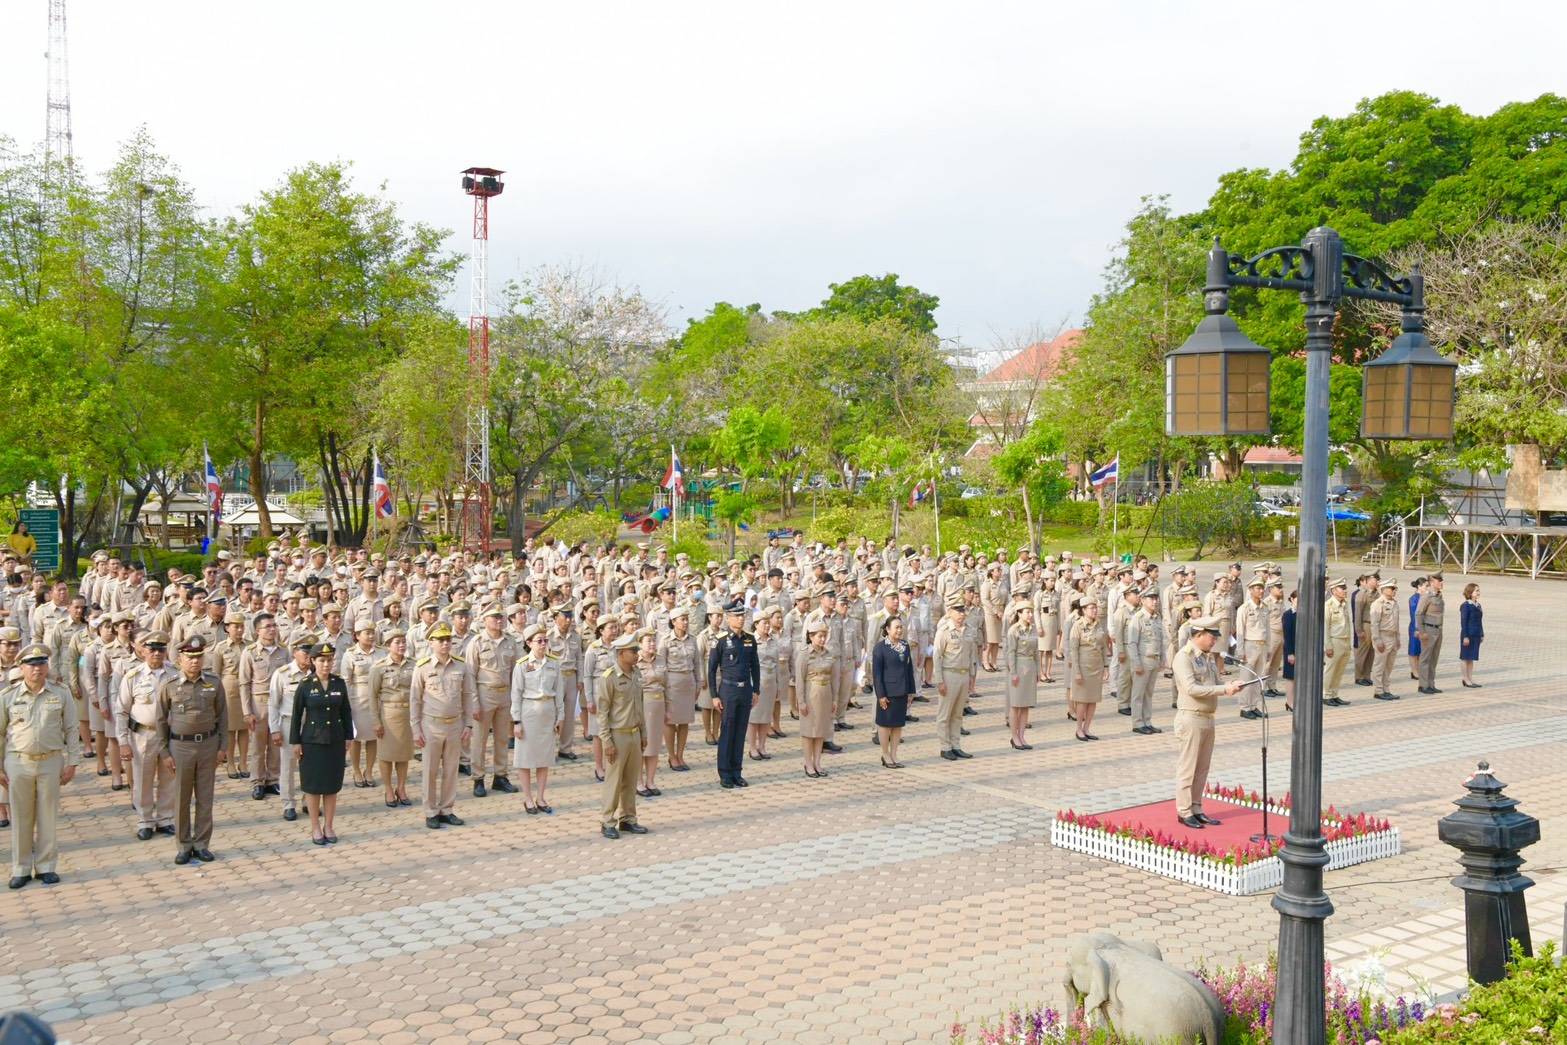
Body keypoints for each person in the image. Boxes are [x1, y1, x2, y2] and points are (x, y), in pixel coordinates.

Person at [1, 642, 78, 888]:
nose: (37, 669)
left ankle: (46, 866)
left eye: (42, 664)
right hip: (18, 762)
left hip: (50, 761)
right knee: (21, 817)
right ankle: (21, 868)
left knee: (47, 816)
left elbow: (71, 728)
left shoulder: (60, 692)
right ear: (21, 668)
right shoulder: (8, 696)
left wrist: (73, 762)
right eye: (32, 665)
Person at [157, 636, 227, 865]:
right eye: (190, 657)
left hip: (207, 745)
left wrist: (222, 747)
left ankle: (202, 844)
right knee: (182, 799)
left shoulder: (214, 683)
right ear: (180, 659)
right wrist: (165, 752)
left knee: (205, 797)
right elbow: (160, 721)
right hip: (181, 747)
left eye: (198, 657)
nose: (195, 662)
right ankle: (184, 845)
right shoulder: (169, 685)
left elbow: (222, 717)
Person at [1172, 616, 1242, 829]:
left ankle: (1196, 807)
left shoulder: (1208, 657)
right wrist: (1223, 689)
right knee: (1188, 767)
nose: (1214, 641)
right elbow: (1191, 688)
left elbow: (1214, 682)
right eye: (1212, 636)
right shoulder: (1183, 657)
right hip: (1191, 717)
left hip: (1208, 717)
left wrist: (1230, 685)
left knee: (1202, 768)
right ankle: (1184, 811)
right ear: (1199, 634)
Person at [410, 622, 477, 829]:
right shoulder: (422, 667)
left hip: (454, 725)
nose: (446, 643)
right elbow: (415, 699)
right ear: (431, 642)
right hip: (431, 726)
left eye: (448, 639)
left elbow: (468, 696)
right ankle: (430, 811)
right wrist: (416, 728)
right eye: (441, 640)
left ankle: (447, 809)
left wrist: (468, 725)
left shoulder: (461, 665)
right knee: (430, 771)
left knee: (451, 770)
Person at [290, 643, 354, 845]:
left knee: (331, 785)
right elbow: (296, 715)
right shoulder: (306, 684)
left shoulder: (339, 683)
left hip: (334, 740)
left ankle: (329, 825)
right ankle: (315, 827)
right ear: (313, 661)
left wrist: (348, 736)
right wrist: (295, 742)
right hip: (312, 741)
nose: (326, 664)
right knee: (313, 786)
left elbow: (345, 711)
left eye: (329, 660)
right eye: (322, 660)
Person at [116, 632, 178, 840]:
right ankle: (145, 820)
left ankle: (165, 818)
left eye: (161, 649)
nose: (157, 654)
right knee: (143, 778)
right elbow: (122, 711)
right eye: (152, 649)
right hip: (143, 735)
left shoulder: (175, 673)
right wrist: (123, 742)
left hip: (169, 735)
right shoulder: (133, 677)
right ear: (143, 651)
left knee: (168, 777)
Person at [597, 632, 647, 839]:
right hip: (617, 736)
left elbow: (640, 706)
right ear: (620, 653)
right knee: (614, 781)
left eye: (637, 650)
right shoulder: (609, 678)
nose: (637, 654)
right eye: (633, 651)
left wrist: (643, 733)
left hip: (634, 733)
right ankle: (607, 821)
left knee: (631, 779)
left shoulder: (636, 674)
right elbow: (602, 713)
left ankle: (628, 818)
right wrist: (606, 741)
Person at [466, 604, 519, 797]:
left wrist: (515, 698)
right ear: (485, 619)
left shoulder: (510, 642)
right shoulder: (477, 642)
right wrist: (474, 702)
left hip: (504, 694)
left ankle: (500, 776)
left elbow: (516, 671)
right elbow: (470, 674)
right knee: (479, 739)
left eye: (501, 616)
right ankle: (478, 778)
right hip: (484, 694)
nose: (499, 620)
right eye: (494, 617)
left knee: (502, 738)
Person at [511, 624, 565, 814]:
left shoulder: (553, 663)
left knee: (544, 758)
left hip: (548, 712)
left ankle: (541, 797)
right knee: (525, 758)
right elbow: (516, 694)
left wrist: (561, 716)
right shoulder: (522, 665)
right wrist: (516, 721)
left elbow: (559, 691)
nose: (543, 644)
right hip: (529, 713)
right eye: (539, 641)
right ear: (528, 643)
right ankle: (527, 798)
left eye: (545, 640)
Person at [707, 598, 759, 790]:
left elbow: (755, 666)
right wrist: (714, 695)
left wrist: (756, 689)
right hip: (727, 691)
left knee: (740, 732)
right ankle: (725, 773)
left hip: (745, 690)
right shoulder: (720, 640)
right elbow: (712, 669)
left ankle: (737, 771)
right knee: (727, 732)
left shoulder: (749, 639)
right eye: (736, 616)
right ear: (728, 618)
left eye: (742, 615)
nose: (740, 619)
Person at [267, 634, 316, 822]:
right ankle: (288, 804)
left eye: (311, 652)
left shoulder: (316, 674)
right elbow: (273, 703)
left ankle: (308, 800)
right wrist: (275, 729)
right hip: (288, 724)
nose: (308, 656)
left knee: (310, 766)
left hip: (311, 724)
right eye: (305, 651)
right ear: (294, 652)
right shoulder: (283, 674)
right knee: (288, 766)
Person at [369, 628, 414, 807]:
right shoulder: (379, 667)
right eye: (397, 642)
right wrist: (375, 721)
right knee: (386, 755)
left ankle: (401, 788)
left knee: (404, 755)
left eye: (403, 641)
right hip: (388, 714)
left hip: (408, 714)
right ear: (388, 646)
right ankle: (388, 789)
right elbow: (372, 695)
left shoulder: (413, 664)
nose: (402, 645)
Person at [657, 611, 700, 772]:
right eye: (683, 619)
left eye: (687, 619)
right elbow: (661, 665)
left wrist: (698, 681)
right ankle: (671, 755)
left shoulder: (692, 640)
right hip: (672, 684)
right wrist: (663, 686)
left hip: (688, 682)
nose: (686, 622)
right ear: (673, 621)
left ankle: (680, 754)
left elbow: (697, 662)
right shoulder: (666, 641)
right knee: (670, 721)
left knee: (684, 721)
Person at [871, 615, 915, 768]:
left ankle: (894, 754)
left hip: (902, 691)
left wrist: (911, 691)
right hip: (888, 693)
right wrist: (881, 695)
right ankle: (885, 754)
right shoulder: (880, 648)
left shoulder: (905, 645)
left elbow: (909, 669)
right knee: (885, 725)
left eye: (901, 627)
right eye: (896, 627)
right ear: (887, 629)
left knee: (897, 725)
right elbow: (877, 674)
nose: (899, 630)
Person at [1066, 600, 1109, 741]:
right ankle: (1079, 729)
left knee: (1093, 699)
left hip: (1096, 667)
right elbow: (1074, 650)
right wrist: (1077, 671)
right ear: (1083, 610)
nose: (1094, 611)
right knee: (1082, 700)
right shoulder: (1077, 626)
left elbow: (1103, 647)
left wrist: (1106, 667)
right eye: (1091, 608)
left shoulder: (1098, 625)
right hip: (1083, 668)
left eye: (1095, 608)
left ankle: (1087, 728)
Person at [796, 620, 835, 777]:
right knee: (809, 731)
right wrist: (801, 702)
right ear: (811, 636)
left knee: (820, 731)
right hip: (810, 695)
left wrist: (834, 699)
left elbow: (833, 677)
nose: (822, 639)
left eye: (824, 636)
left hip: (825, 694)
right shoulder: (805, 654)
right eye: (819, 636)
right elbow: (799, 679)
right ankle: (808, 763)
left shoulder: (828, 653)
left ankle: (818, 762)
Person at [1127, 589, 1164, 735]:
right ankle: (1137, 723)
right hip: (1143, 660)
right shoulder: (1138, 618)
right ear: (1142, 600)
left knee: (1148, 694)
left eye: (1156, 598)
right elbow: (1132, 643)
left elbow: (1161, 640)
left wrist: (1162, 658)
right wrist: (1136, 663)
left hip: (1154, 660)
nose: (1154, 601)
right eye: (1151, 598)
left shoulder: (1156, 617)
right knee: (1138, 694)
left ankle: (1147, 721)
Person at [1002, 604, 1038, 749]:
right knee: (1015, 705)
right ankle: (1014, 737)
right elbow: (1010, 652)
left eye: (1031, 612)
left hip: (1030, 667)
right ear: (1019, 613)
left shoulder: (1033, 628)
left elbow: (1036, 651)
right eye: (1027, 612)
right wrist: (1013, 672)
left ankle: (1022, 736)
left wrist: (1038, 671)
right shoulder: (1014, 630)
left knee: (1025, 705)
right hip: (1018, 666)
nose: (1030, 615)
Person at [747, 614, 779, 762]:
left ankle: (762, 746)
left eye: (768, 623)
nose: (767, 626)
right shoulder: (750, 640)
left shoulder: (773, 640)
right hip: (756, 682)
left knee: (766, 716)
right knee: (754, 717)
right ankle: (752, 747)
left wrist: (778, 683)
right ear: (756, 624)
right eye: (764, 623)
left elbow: (777, 662)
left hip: (771, 681)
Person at [1416, 571, 1448, 695]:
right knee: (1425, 658)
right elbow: (1419, 614)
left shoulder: (1439, 596)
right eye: (1439, 580)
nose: (1441, 583)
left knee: (1434, 658)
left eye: (1441, 580)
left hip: (1438, 630)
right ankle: (1423, 685)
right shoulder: (1426, 597)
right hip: (1428, 630)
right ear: (1431, 582)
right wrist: (1421, 631)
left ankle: (1431, 684)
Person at [1369, 579, 1401, 701]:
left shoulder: (1395, 603)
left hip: (1392, 636)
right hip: (1383, 636)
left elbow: (1396, 623)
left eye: (1395, 588)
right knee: (1379, 665)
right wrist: (1377, 640)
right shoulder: (1378, 604)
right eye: (1392, 588)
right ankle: (1378, 690)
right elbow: (1375, 624)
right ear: (1384, 589)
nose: (1394, 591)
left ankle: (1386, 689)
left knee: (1389, 666)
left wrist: (1398, 638)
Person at [1322, 579, 1353, 707]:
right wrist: (1328, 646)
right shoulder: (1328, 605)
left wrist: (1349, 643)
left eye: (1345, 587)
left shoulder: (1344, 604)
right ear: (1334, 590)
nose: (1345, 590)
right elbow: (1325, 627)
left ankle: (1334, 694)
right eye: (1342, 588)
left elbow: (1347, 625)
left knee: (1339, 670)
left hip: (1345, 640)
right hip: (1334, 641)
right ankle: (1326, 695)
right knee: (1330, 669)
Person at [1459, 582, 1484, 688]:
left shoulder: (1478, 605)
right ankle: (1465, 679)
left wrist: (1481, 634)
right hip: (1468, 634)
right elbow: (1463, 622)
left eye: (1478, 590)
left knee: (1471, 657)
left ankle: (1470, 678)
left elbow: (1480, 621)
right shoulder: (1466, 606)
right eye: (1476, 590)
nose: (1478, 592)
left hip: (1476, 634)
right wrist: (1465, 636)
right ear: (1470, 592)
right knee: (1465, 657)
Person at [1281, 590, 1298, 713]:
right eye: (1298, 598)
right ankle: (1289, 702)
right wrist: (1290, 653)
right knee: (1290, 677)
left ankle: (1296, 701)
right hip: (1291, 649)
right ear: (1292, 599)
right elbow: (1287, 635)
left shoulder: (1304, 614)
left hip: (1302, 650)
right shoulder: (1288, 614)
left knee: (1298, 677)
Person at [1406, 576, 1426, 681]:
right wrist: (1417, 629)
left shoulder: (1426, 597)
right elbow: (1414, 615)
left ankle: (1418, 669)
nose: (1427, 588)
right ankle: (1414, 671)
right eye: (1425, 586)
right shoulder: (1414, 599)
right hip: (1415, 627)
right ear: (1419, 586)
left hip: (1424, 627)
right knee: (1414, 650)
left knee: (1420, 650)